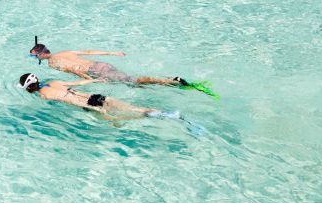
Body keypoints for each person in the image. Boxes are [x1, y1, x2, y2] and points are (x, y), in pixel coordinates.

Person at [29, 37, 218, 98]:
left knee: (133, 81)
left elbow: (74, 70)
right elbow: (89, 51)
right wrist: (113, 53)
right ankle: (169, 84)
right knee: (133, 83)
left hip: (96, 71)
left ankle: (173, 81)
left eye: (34, 55)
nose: (34, 58)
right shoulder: (64, 52)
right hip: (101, 64)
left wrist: (90, 80)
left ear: (40, 54)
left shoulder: (54, 62)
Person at [18, 73, 203, 134]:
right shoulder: (54, 83)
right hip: (98, 95)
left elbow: (71, 101)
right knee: (134, 109)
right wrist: (94, 80)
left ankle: (167, 117)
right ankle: (172, 115)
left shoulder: (44, 95)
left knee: (126, 119)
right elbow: (79, 84)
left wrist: (103, 114)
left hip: (91, 105)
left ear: (29, 88)